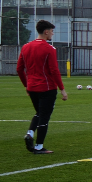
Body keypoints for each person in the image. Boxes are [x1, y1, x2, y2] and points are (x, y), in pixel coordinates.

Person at [16, 19, 67, 155]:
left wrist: (26, 85)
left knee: (39, 112)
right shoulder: (49, 49)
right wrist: (62, 89)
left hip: (32, 87)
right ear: (46, 32)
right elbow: (54, 70)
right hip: (47, 87)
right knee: (44, 116)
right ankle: (39, 147)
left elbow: (19, 69)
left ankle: (30, 133)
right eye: (51, 31)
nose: (52, 34)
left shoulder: (26, 47)